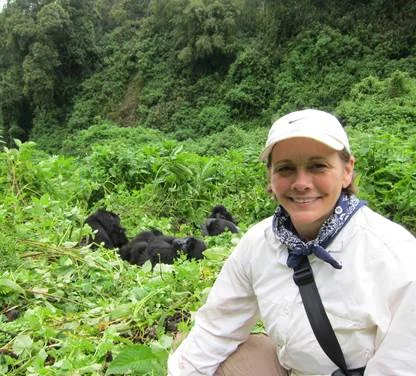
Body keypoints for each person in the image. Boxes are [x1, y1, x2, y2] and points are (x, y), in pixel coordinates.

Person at [167, 109, 416, 376]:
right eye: (286, 169)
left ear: (347, 171)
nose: (301, 183)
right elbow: (215, 329)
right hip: (293, 368)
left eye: (317, 166)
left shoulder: (396, 255)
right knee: (215, 355)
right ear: (271, 178)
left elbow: (400, 365)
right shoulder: (258, 243)